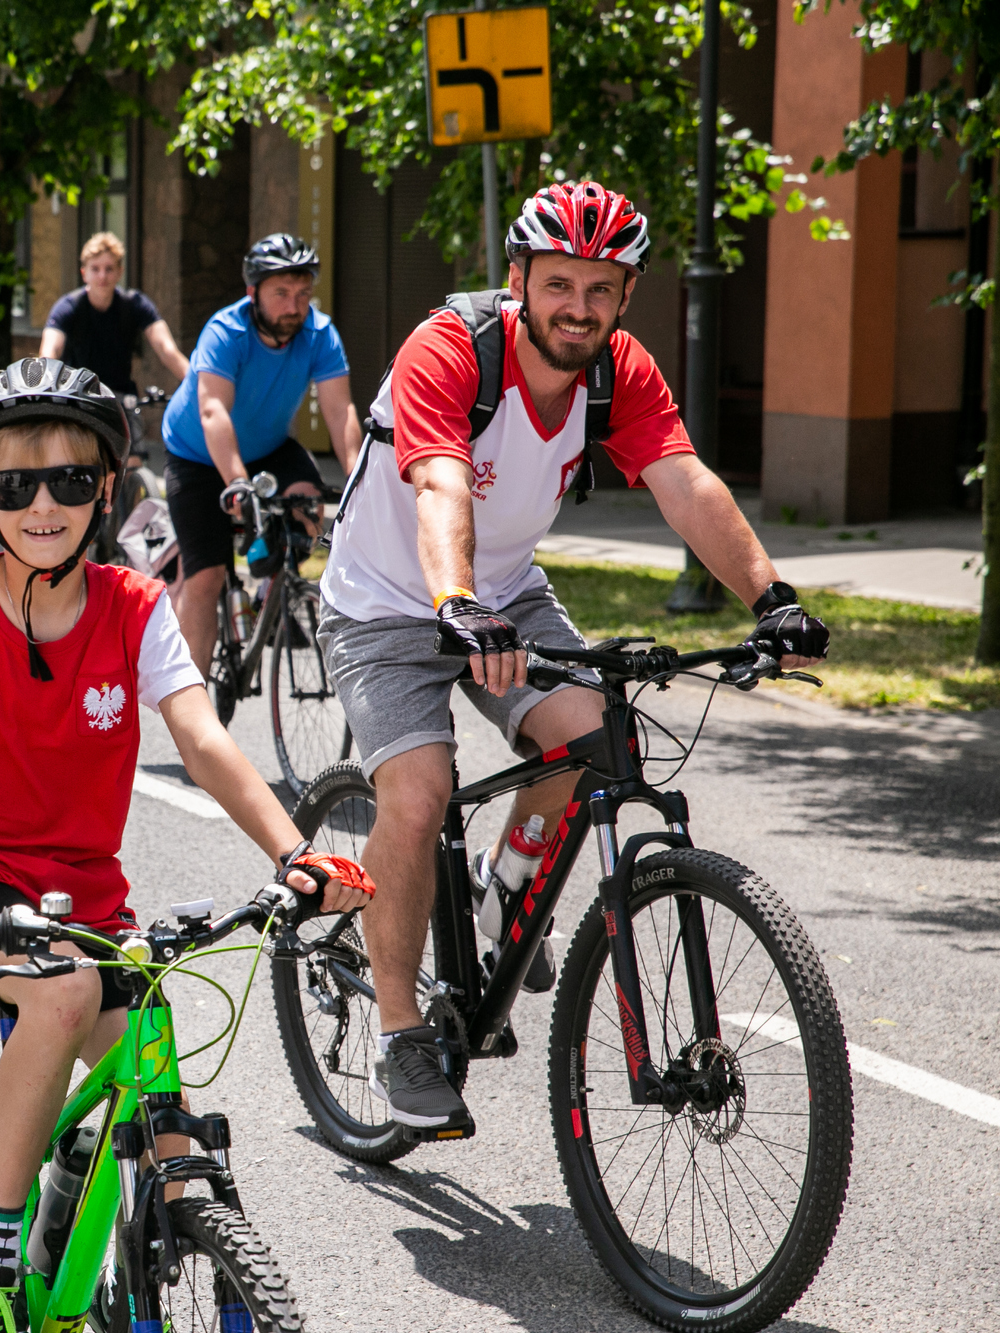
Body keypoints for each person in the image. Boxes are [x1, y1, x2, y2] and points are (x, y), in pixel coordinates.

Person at [0, 357, 375, 1331]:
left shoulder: (131, 607)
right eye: (14, 484)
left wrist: (294, 854)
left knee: (155, 1082)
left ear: (105, 489)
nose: (44, 503)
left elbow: (203, 740)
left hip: (80, 900)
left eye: (70, 480)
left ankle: (140, 1239)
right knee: (69, 993)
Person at [318, 180, 832, 1135]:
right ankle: (400, 1029)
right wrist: (456, 604)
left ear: (627, 294)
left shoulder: (616, 370)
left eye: (602, 289)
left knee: (598, 740)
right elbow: (440, 482)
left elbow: (684, 482)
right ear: (519, 279)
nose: (579, 308)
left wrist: (772, 599)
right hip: (387, 604)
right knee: (421, 791)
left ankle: (504, 888)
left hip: (503, 594)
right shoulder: (451, 350)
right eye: (560, 284)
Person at [160, 232, 364, 673]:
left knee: (308, 507)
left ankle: (266, 597)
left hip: (268, 449)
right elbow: (213, 410)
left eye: (303, 294)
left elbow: (339, 409)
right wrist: (236, 482)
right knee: (207, 578)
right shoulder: (226, 331)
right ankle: (189, 710)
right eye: (281, 294)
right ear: (253, 293)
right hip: (197, 454)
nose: (294, 306)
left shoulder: (319, 333)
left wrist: (356, 476)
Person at [37, 231, 189, 464]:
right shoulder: (68, 307)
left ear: (120, 272)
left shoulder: (135, 305)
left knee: (134, 461)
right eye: (95, 268)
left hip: (121, 397)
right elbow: (50, 351)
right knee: (83, 463)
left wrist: (198, 384)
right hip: (78, 396)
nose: (102, 276)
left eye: (109, 268)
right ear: (83, 273)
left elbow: (166, 349)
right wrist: (45, 388)